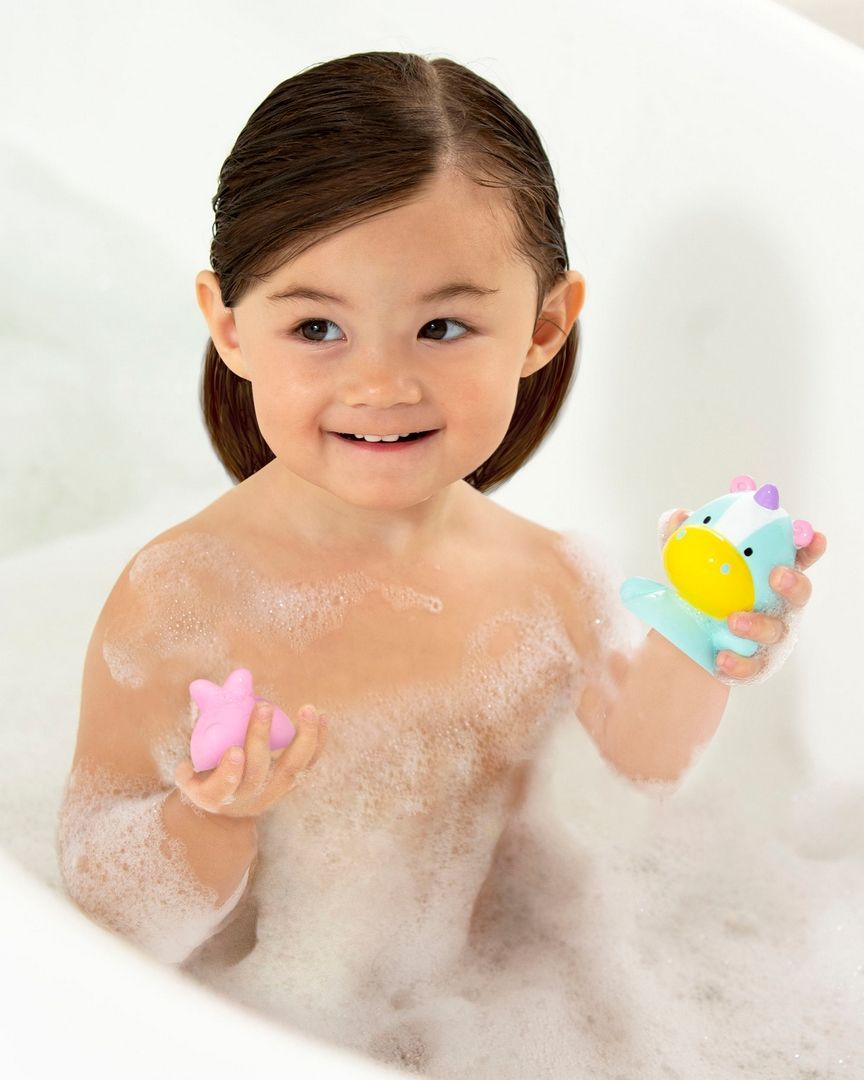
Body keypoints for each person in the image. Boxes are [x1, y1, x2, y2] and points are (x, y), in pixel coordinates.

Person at [55, 50, 825, 1075]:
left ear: (543, 326)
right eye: (318, 327)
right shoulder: (187, 592)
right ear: (230, 328)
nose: (382, 383)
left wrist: (700, 639)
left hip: (490, 1016)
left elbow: (638, 768)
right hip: (239, 1031)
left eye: (443, 326)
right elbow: (100, 904)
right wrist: (209, 820)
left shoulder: (549, 579)